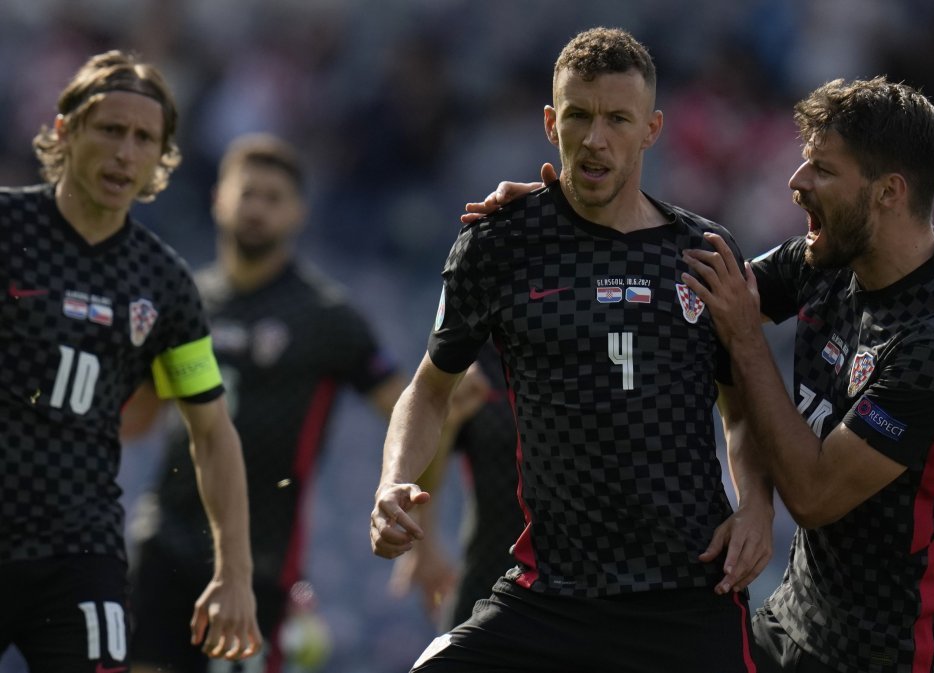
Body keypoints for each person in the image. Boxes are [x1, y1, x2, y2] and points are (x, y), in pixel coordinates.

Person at [476, 76, 934, 673]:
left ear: (888, 192)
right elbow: (677, 295)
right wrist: (570, 214)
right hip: (793, 626)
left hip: (900, 657)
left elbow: (814, 493)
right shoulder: (827, 260)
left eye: (823, 170)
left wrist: (748, 338)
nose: (796, 181)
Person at [370, 27, 773, 673]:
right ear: (551, 122)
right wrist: (394, 481)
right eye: (579, 116)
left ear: (652, 129)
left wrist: (756, 504)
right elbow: (429, 388)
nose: (595, 138)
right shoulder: (499, 244)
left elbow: (742, 409)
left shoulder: (703, 254)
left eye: (618, 119)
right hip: (552, 596)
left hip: (688, 595)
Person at [0, 50, 261, 671]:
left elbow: (211, 431)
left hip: (80, 554)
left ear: (161, 158)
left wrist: (234, 574)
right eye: (111, 129)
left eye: (145, 139)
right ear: (66, 131)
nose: (125, 152)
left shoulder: (164, 284)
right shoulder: (7, 227)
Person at [121, 132, 407, 672]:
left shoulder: (326, 316)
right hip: (165, 539)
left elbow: (406, 412)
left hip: (261, 555)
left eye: (273, 198)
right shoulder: (185, 300)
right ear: (218, 199)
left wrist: (404, 494)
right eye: (247, 193)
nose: (256, 208)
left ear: (298, 213)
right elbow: (136, 421)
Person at [388, 343, 525, 631]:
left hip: (587, 579)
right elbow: (429, 452)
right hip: (491, 575)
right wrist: (423, 544)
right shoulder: (478, 353)